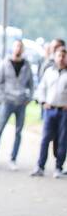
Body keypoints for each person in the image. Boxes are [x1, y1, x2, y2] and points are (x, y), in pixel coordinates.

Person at [0, 39, 35, 171]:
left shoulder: (26, 65)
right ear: (13, 48)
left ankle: (13, 159)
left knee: (18, 132)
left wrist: (29, 97)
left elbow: (31, 84)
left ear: (22, 50)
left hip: (21, 103)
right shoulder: (4, 64)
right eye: (16, 46)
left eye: (20, 47)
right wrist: (2, 98)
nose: (18, 49)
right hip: (7, 102)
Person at [31, 46, 67, 178]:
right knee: (45, 139)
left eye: (64, 56)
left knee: (63, 140)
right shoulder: (49, 72)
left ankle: (58, 167)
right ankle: (40, 166)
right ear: (55, 57)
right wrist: (43, 101)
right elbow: (41, 88)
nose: (61, 58)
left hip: (64, 112)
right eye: (59, 55)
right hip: (50, 110)